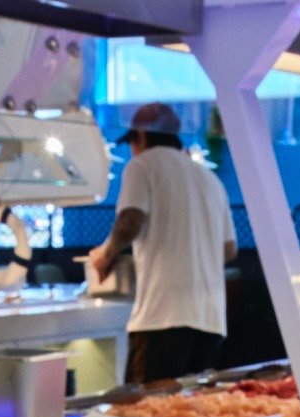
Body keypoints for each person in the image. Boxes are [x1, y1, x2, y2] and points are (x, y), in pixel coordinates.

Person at [89, 102, 236, 386]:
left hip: (162, 318)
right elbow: (228, 250)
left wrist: (105, 254)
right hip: (210, 321)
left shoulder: (142, 165)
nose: (132, 150)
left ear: (141, 137)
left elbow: (131, 219)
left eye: (131, 143)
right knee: (192, 408)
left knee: (144, 407)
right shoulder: (210, 179)